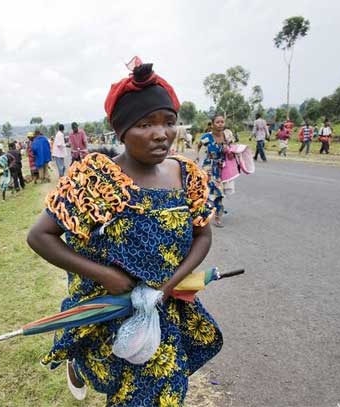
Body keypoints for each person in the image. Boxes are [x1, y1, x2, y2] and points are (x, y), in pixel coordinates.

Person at [27, 61, 222, 406]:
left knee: (160, 390)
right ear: (120, 131)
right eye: (145, 124)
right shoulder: (96, 178)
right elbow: (40, 236)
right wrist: (108, 276)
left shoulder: (187, 175)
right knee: (113, 376)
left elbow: (203, 236)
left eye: (168, 122)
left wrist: (169, 284)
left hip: (161, 307)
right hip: (110, 309)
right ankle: (79, 362)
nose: (161, 133)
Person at [196, 115, 233, 227]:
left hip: (221, 168)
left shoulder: (226, 137)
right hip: (209, 168)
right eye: (218, 122)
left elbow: (231, 151)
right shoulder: (207, 137)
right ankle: (214, 216)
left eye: (222, 122)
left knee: (219, 194)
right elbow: (198, 145)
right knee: (216, 191)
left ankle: (214, 214)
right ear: (212, 124)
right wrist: (197, 156)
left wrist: (230, 152)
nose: (220, 124)